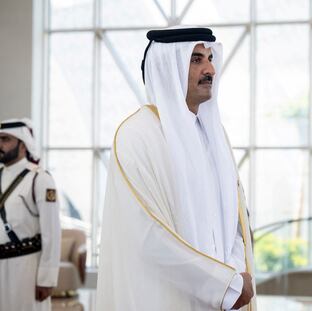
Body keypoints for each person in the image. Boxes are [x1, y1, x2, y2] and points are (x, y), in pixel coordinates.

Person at [96, 27, 256, 310]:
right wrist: (222, 284)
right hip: (167, 298)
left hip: (224, 297)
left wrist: (233, 275)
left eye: (210, 58)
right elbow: (149, 236)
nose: (210, 70)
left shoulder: (213, 134)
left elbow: (235, 222)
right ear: (166, 68)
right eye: (196, 60)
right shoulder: (137, 136)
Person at [0, 118, 61, 311]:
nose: (0, 145)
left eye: (5, 139)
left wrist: (47, 278)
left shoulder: (40, 179)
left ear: (23, 144)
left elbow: (52, 233)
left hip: (26, 268)